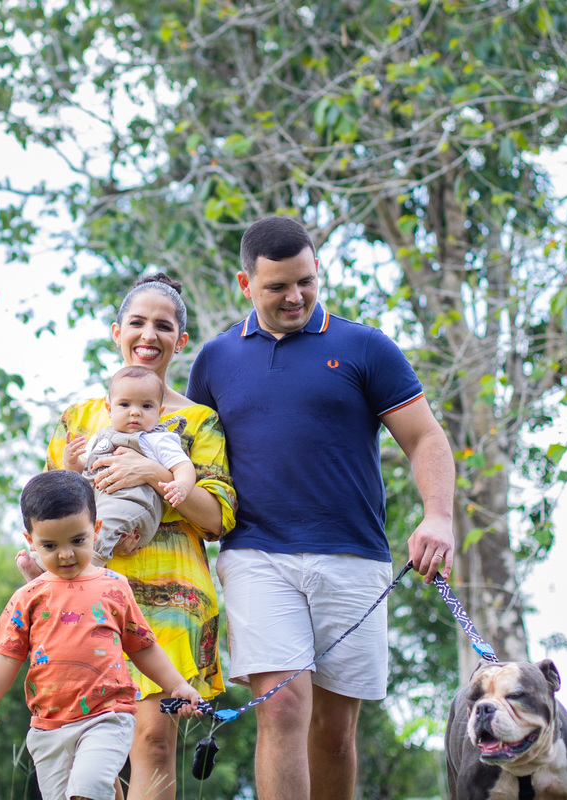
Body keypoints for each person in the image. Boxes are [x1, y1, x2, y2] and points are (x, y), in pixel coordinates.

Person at [186, 215, 457, 800]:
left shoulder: (364, 346)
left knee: (334, 733)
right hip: (257, 554)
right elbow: (188, 454)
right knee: (281, 707)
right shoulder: (214, 361)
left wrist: (438, 516)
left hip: (354, 556)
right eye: (278, 286)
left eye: (307, 281)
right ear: (244, 284)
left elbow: (426, 439)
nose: (296, 296)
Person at [23, 273, 236, 800]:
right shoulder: (79, 420)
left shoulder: (198, 421)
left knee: (152, 739)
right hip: (86, 593)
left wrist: (154, 474)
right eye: (138, 322)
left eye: (163, 325)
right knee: (85, 742)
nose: (149, 334)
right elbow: (49, 513)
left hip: (172, 593)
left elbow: (217, 518)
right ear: (117, 331)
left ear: (180, 341)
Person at [0, 470, 203, 800]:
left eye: (77, 541)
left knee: (88, 790)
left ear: (95, 530)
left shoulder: (114, 588)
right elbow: (6, 655)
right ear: (30, 541)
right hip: (47, 728)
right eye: (50, 545)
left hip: (106, 717)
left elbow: (143, 647)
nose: (66, 554)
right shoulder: (28, 596)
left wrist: (176, 685)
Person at [66, 365, 196, 567]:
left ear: (160, 411)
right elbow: (83, 472)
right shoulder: (99, 437)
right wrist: (72, 462)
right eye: (125, 405)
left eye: (146, 406)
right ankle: (40, 565)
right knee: (65, 521)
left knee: (105, 524)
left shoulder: (158, 439)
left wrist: (182, 485)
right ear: (110, 409)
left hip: (135, 505)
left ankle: (88, 568)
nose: (135, 412)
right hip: (96, 505)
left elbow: (183, 466)